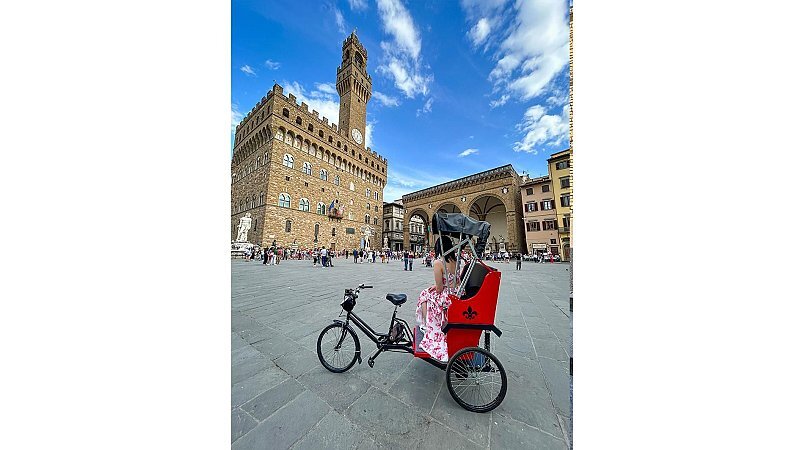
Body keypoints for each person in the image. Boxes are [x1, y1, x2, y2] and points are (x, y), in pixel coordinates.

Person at [416, 236, 458, 361]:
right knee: (428, 291)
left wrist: (435, 287)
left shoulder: (438, 263)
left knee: (424, 294)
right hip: (455, 292)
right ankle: (427, 324)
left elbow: (439, 289)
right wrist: (437, 286)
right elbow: (456, 281)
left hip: (446, 296)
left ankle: (427, 326)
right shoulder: (455, 261)